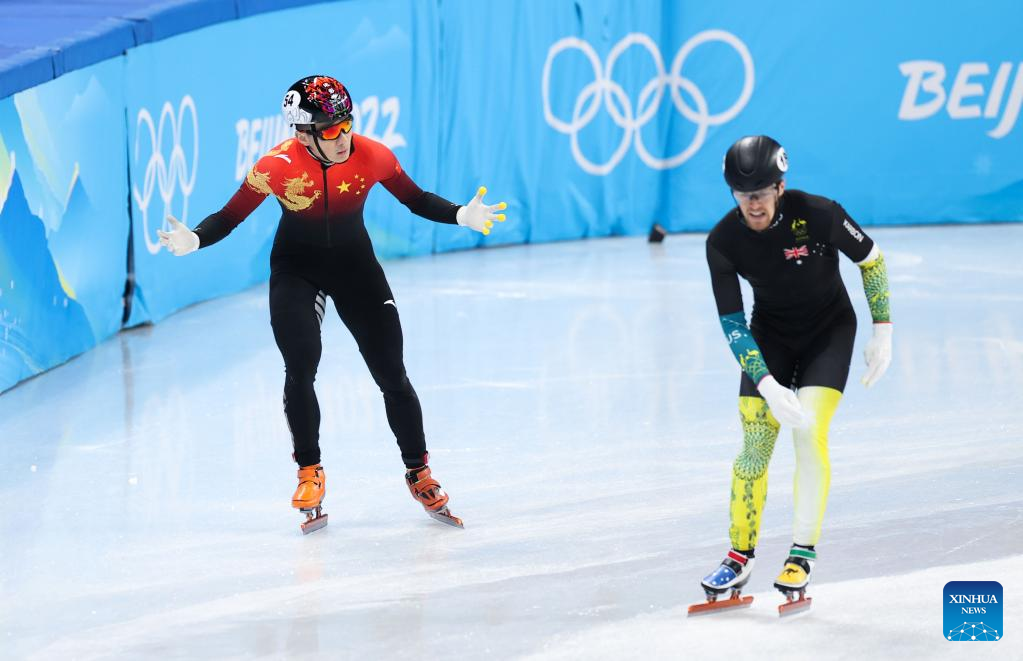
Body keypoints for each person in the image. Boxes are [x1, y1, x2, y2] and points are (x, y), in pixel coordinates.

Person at [157, 75, 506, 532]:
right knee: (300, 364)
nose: (343, 137)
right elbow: (229, 215)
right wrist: (197, 239)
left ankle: (419, 472)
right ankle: (310, 471)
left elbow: (415, 198)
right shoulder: (276, 167)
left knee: (392, 373)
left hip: (355, 269)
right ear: (304, 133)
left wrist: (460, 214)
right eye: (330, 130)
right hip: (296, 271)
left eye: (347, 124)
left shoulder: (372, 155)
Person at [698, 135, 892, 605]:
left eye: (762, 193)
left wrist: (882, 329)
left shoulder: (820, 214)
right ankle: (739, 556)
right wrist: (766, 382)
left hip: (829, 331)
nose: (754, 204)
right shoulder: (722, 241)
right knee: (753, 447)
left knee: (808, 430)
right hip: (771, 336)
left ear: (780, 187)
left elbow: (872, 260)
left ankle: (801, 555)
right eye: (744, 195)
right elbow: (732, 322)